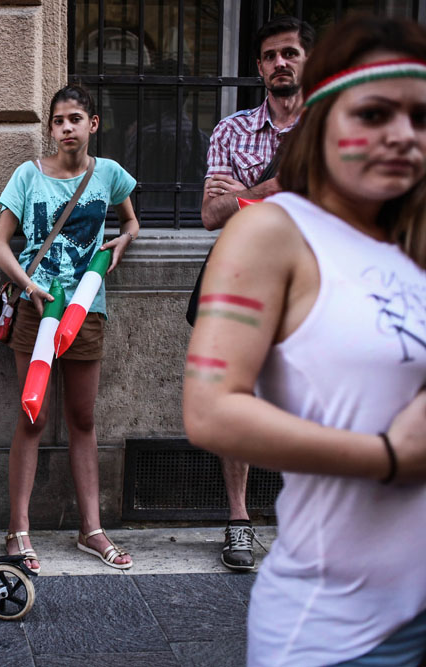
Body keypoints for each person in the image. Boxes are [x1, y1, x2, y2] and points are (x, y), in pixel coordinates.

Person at [183, 15, 426, 665]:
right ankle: (239, 517)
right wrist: (386, 455)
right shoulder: (275, 232)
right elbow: (208, 409)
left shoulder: (410, 245)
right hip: (345, 630)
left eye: (420, 117)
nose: (402, 136)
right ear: (328, 117)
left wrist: (247, 192)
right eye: (374, 113)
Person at [0, 85, 139, 573]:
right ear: (50, 128)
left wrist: (122, 241)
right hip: (37, 307)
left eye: (76, 118)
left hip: (86, 310)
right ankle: (18, 530)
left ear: (93, 124)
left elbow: (132, 222)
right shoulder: (28, 176)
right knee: (32, 416)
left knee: (83, 420)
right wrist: (28, 284)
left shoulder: (110, 175)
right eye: (58, 121)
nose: (66, 127)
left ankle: (90, 529)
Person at [199, 15, 314, 572]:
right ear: (260, 67)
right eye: (269, 56)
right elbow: (211, 214)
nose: (279, 64)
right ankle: (239, 521)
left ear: (307, 61)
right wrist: (269, 188)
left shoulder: (333, 129)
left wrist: (244, 195)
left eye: (289, 53)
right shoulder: (232, 132)